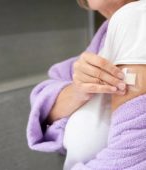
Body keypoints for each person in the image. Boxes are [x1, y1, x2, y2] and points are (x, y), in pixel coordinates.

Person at [27, 0, 146, 169]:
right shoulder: (97, 48)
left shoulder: (139, 17)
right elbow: (45, 108)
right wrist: (76, 92)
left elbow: (131, 152)